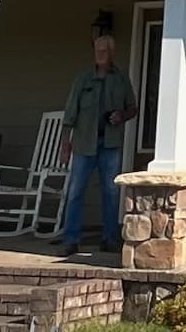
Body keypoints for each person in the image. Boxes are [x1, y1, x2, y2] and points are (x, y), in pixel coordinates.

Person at [56, 33, 138, 257]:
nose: (100, 55)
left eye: (104, 51)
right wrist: (66, 145)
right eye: (97, 51)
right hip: (83, 144)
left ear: (111, 53)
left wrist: (121, 116)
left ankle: (109, 239)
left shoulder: (120, 80)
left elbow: (133, 107)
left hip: (109, 143)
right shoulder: (83, 80)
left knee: (110, 193)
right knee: (75, 192)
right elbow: (70, 114)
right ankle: (71, 240)